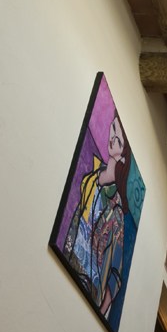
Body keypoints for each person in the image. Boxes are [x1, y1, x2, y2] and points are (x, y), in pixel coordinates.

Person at [65, 115, 131, 318]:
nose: (113, 138)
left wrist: (101, 312)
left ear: (123, 156)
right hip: (69, 257)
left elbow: (115, 274)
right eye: (113, 129)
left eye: (119, 139)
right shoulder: (91, 177)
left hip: (90, 284)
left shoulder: (116, 212)